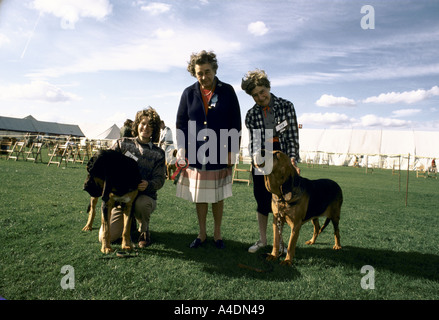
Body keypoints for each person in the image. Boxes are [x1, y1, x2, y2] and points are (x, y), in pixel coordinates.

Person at [176, 50, 241, 249]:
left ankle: (218, 234)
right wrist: (181, 148)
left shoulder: (228, 91)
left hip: (220, 150)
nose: (204, 76)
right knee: (200, 196)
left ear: (214, 69)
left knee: (217, 196)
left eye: (207, 71)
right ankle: (202, 233)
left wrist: (232, 150)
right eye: (199, 73)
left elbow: (235, 123)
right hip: (196, 154)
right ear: (194, 74)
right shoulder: (188, 93)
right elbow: (181, 123)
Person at [241, 69, 300, 253]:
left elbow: (291, 137)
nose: (260, 97)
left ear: (268, 87)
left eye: (262, 92)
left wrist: (292, 161)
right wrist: (256, 160)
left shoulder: (286, 106)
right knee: (262, 201)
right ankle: (263, 240)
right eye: (255, 95)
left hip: (282, 161)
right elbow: (254, 142)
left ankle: (280, 243)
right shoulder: (251, 115)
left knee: (282, 203)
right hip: (263, 160)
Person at [99, 107, 165, 248]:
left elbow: (160, 180)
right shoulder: (122, 143)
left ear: (154, 130)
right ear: (137, 124)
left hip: (144, 196)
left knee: (141, 204)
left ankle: (144, 231)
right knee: (106, 238)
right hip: (120, 196)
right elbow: (107, 160)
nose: (146, 128)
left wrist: (148, 184)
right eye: (143, 123)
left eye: (151, 125)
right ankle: (130, 224)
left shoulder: (159, 153)